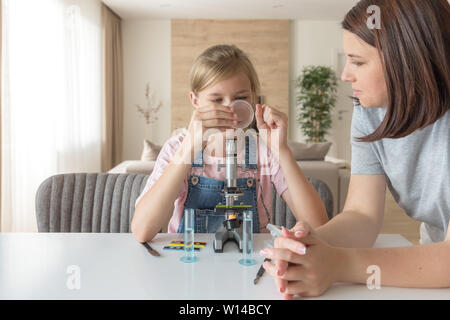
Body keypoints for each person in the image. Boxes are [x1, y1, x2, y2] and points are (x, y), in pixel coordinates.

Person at [260, 0, 450, 299]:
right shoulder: (369, 114)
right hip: (433, 256)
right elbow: (362, 215)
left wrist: (339, 263)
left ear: (407, 59)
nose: (345, 75)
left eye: (358, 61)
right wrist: (307, 244)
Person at [131, 44, 328, 242]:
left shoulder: (265, 151)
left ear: (253, 98)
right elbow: (142, 230)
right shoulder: (177, 148)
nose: (230, 109)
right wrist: (189, 148)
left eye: (240, 98)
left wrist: (282, 150)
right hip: (191, 259)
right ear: (195, 101)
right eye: (217, 100)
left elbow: (320, 227)